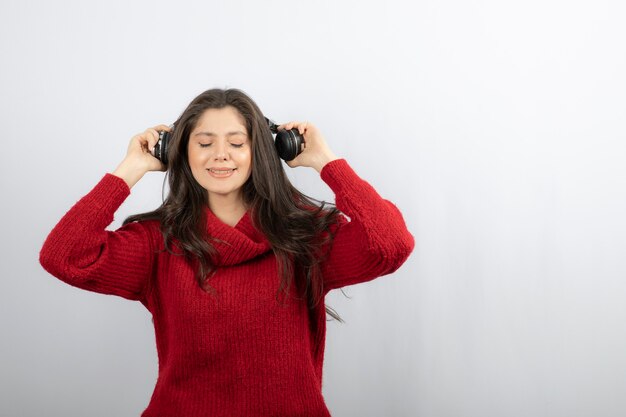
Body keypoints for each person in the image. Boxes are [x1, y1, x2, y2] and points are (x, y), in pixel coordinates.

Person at [39, 88, 415, 417]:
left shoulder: (306, 239)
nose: (221, 155)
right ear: (179, 152)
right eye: (204, 143)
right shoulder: (157, 242)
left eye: (237, 143)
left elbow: (391, 244)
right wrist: (130, 168)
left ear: (263, 152)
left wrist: (325, 161)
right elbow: (64, 256)